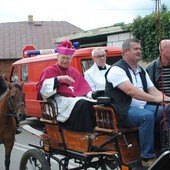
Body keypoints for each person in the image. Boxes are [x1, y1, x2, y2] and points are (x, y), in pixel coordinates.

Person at [105, 38, 170, 168]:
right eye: (136, 49)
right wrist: (157, 99)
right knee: (146, 116)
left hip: (142, 107)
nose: (139, 51)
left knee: (168, 110)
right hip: (123, 110)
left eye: (140, 48)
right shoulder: (116, 70)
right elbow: (131, 91)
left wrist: (166, 99)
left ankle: (165, 148)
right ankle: (147, 157)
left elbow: (153, 90)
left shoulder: (141, 70)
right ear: (125, 51)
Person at [36, 40, 96, 132]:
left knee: (92, 103)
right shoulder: (49, 71)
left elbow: (84, 88)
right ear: (57, 57)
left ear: (71, 59)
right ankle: (81, 133)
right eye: (63, 58)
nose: (65, 61)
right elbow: (42, 90)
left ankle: (91, 132)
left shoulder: (74, 71)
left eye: (68, 58)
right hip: (58, 102)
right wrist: (58, 79)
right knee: (82, 104)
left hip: (74, 100)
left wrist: (92, 94)